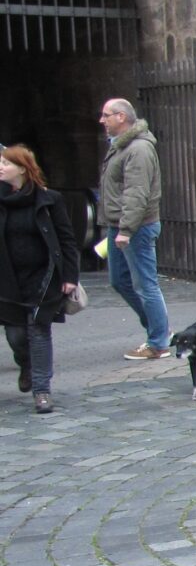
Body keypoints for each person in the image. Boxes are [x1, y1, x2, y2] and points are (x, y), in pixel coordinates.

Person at [0, 146, 80, 415]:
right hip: (8, 279)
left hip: (42, 277)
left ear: (23, 169)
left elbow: (66, 239)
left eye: (5, 163)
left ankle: (42, 391)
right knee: (16, 335)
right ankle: (26, 363)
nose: (0, 167)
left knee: (38, 331)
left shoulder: (49, 200)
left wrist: (70, 276)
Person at [98, 97, 170, 360]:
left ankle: (158, 342)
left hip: (136, 226)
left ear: (121, 117)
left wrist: (127, 229)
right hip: (119, 224)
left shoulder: (138, 148)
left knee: (145, 284)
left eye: (106, 115)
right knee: (119, 280)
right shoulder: (121, 145)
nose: (102, 120)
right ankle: (159, 328)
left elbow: (136, 192)